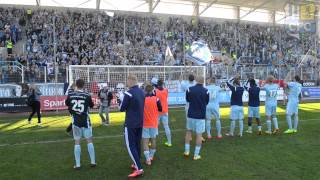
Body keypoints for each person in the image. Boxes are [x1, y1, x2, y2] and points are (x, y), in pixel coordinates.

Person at [65, 79, 96, 169]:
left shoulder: (71, 95)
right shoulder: (87, 95)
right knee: (89, 140)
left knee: (77, 141)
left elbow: (67, 103)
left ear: (76, 85)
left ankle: (78, 164)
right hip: (85, 121)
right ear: (84, 85)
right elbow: (92, 105)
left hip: (76, 121)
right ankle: (93, 162)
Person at [119, 74, 145, 178]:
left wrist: (120, 99)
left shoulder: (128, 93)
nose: (126, 82)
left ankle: (139, 168)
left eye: (127, 80)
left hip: (130, 123)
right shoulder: (141, 92)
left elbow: (121, 108)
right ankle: (136, 164)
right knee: (137, 144)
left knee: (131, 145)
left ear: (131, 81)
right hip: (139, 122)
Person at [184, 76, 209, 160]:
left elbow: (187, 100)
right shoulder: (206, 91)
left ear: (196, 81)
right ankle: (196, 155)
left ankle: (187, 151)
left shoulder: (189, 89)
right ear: (203, 81)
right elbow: (206, 102)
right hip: (200, 116)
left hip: (191, 114)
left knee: (188, 132)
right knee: (199, 135)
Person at [142, 83, 162, 166]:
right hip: (154, 123)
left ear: (145, 91)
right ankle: (151, 156)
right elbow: (160, 109)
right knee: (153, 140)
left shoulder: (143, 99)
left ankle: (148, 159)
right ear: (152, 91)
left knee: (145, 142)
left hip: (145, 123)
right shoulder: (156, 99)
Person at [155, 79, 172, 147]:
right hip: (165, 110)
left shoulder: (155, 91)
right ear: (162, 84)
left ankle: (152, 142)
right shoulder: (166, 90)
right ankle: (169, 142)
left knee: (155, 127)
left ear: (157, 84)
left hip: (158, 111)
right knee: (166, 126)